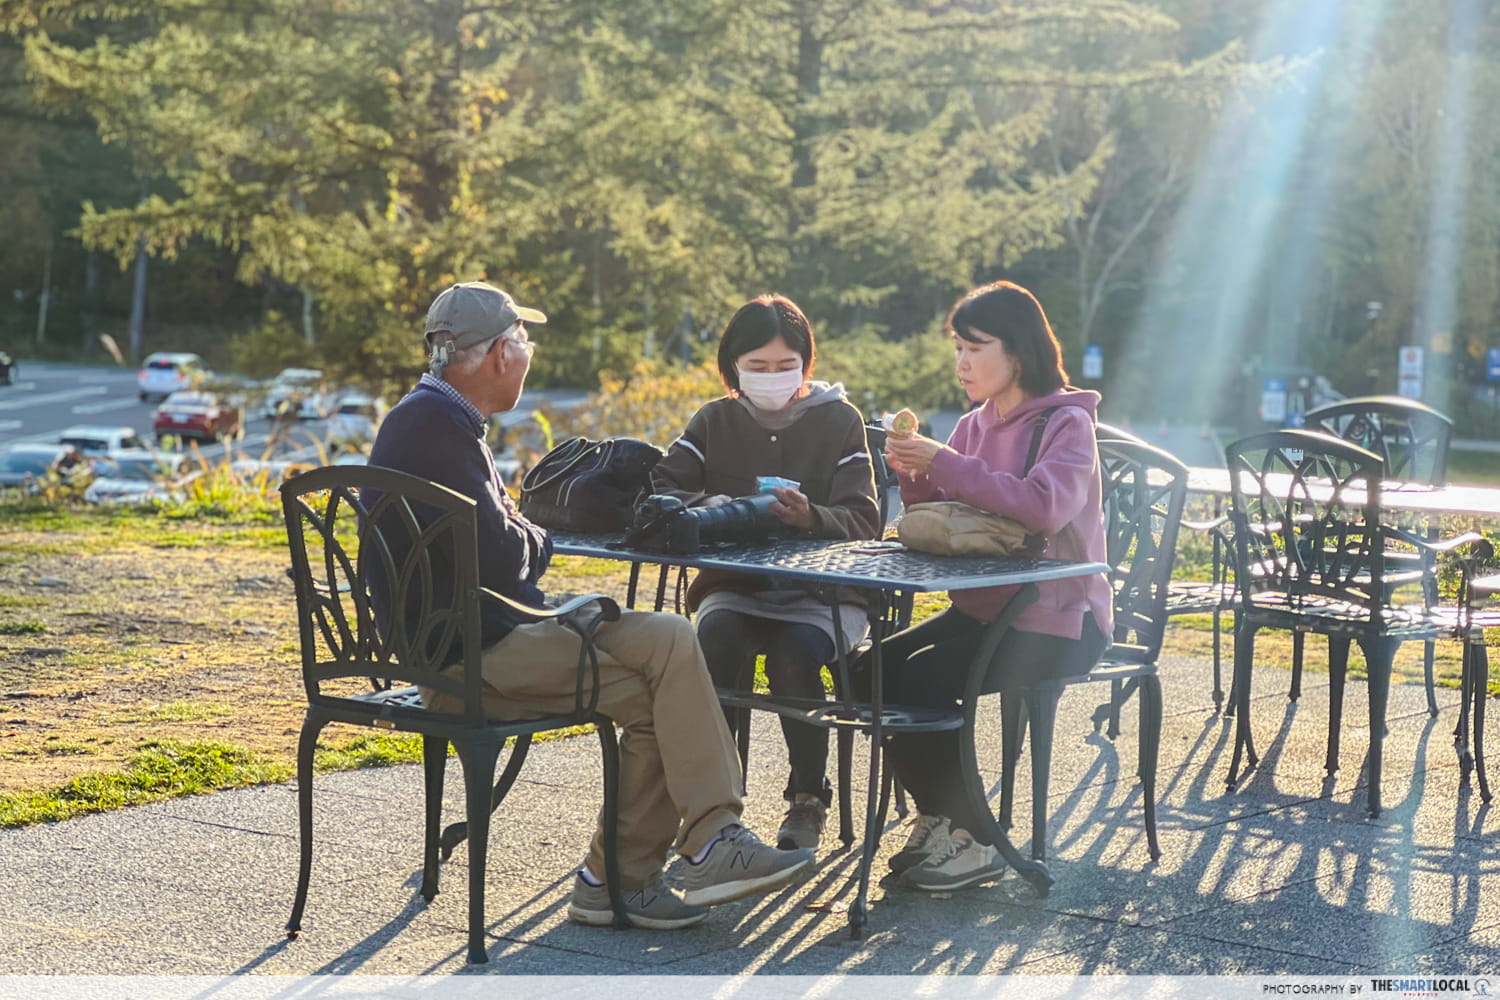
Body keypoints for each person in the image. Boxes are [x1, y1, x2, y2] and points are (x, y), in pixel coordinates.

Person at [368, 281, 813, 931]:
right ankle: (624, 876)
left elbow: (497, 540)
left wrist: (520, 530)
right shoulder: (439, 430)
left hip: (489, 633)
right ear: (497, 354)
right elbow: (505, 553)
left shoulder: (431, 419)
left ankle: (687, 848)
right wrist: (533, 534)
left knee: (669, 638)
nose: (528, 354)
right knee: (662, 690)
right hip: (475, 654)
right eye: (523, 341)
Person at [869, 280, 1113, 891]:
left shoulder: (1065, 424)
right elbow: (949, 508)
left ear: (1021, 354)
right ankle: (944, 818)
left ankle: (976, 840)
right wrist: (915, 473)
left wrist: (942, 461)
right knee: (866, 671)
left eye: (975, 348)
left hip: (1058, 622)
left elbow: (1043, 509)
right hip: (982, 611)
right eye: (957, 348)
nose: (962, 362)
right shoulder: (976, 424)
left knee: (919, 680)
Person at [651, 294, 881, 851]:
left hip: (824, 595)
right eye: (757, 366)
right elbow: (661, 488)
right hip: (737, 589)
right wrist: (715, 504)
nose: (772, 378)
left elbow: (866, 519)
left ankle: (808, 798)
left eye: (785, 366)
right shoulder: (715, 419)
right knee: (714, 638)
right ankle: (713, 805)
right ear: (733, 367)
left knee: (794, 653)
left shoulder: (838, 420)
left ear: (806, 363)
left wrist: (812, 516)